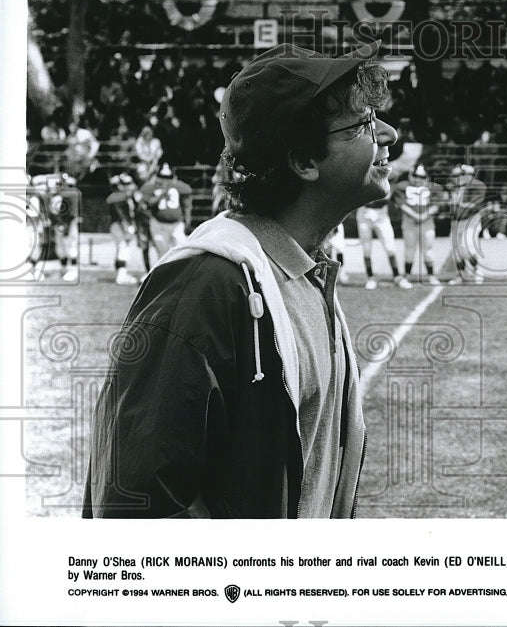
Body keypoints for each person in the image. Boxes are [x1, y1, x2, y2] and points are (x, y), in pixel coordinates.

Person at [84, 40, 395, 517]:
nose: (389, 134)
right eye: (364, 124)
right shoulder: (204, 290)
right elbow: (133, 512)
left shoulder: (308, 273)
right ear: (303, 161)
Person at [392, 164, 443, 284]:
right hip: (410, 222)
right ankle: (407, 275)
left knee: (428, 250)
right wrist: (416, 216)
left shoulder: (433, 187)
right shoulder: (402, 187)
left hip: (427, 222)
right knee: (409, 249)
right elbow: (402, 204)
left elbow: (436, 205)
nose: (418, 179)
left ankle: (431, 275)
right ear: (410, 175)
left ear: (426, 177)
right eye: (415, 176)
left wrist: (424, 216)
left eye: (421, 176)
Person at [355, 198, 413, 290]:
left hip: (381, 212)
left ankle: (397, 276)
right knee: (366, 248)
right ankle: (370, 278)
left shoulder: (390, 183)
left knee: (390, 247)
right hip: (364, 212)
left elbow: (388, 196)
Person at [139, 162, 193, 261]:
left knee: (181, 252)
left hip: (177, 225)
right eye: (162, 176)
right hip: (159, 224)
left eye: (168, 177)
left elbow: (186, 204)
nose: (165, 179)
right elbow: (147, 205)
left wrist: (187, 220)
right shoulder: (150, 188)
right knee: (163, 254)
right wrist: (161, 194)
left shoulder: (180, 187)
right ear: (157, 176)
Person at [444, 163, 487, 284]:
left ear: (471, 175)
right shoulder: (455, 187)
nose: (460, 177)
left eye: (463, 174)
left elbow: (472, 205)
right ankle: (461, 275)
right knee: (456, 251)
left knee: (467, 246)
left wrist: (456, 203)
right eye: (457, 175)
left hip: (471, 220)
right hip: (456, 220)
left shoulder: (478, 186)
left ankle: (477, 270)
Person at [106, 173, 142, 285]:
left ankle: (121, 273)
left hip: (122, 225)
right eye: (124, 184)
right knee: (123, 248)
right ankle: (121, 276)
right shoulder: (117, 197)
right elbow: (120, 215)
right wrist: (127, 226)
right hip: (119, 225)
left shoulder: (128, 196)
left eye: (128, 183)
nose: (127, 186)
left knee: (121, 248)